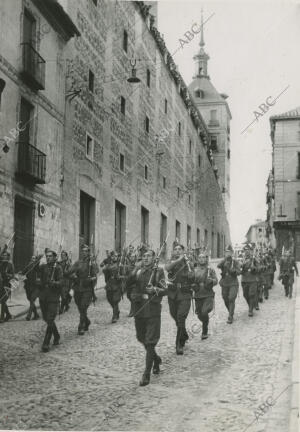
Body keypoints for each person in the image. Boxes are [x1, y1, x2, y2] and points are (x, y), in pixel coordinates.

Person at [126, 249, 166, 386]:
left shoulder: (158, 271)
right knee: (141, 338)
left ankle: (146, 374)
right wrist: (134, 271)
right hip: (139, 309)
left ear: (154, 258)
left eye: (149, 256)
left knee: (150, 342)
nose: (146, 258)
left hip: (153, 310)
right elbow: (127, 284)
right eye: (143, 256)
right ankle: (155, 358)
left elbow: (165, 289)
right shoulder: (138, 271)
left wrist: (155, 290)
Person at [165, 243, 194, 355]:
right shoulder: (170, 261)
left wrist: (191, 272)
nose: (177, 251)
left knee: (181, 317)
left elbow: (192, 276)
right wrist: (179, 260)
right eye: (175, 249)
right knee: (175, 317)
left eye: (179, 249)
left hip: (185, 294)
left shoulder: (188, 263)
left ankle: (179, 344)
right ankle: (184, 334)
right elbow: (167, 268)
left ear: (183, 251)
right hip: (172, 294)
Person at [67, 245, 98, 335]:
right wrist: (72, 276)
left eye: (86, 251)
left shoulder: (91, 263)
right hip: (78, 288)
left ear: (88, 252)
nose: (84, 253)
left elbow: (96, 273)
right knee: (80, 307)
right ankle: (87, 321)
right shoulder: (78, 262)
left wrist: (93, 262)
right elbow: (69, 272)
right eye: (83, 251)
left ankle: (81, 326)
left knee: (83, 306)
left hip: (87, 289)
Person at [38, 250, 63, 352]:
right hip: (43, 297)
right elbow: (34, 269)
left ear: (54, 257)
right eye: (47, 256)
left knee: (50, 318)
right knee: (47, 319)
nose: (48, 258)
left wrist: (55, 283)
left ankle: (46, 343)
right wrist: (37, 259)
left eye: (50, 256)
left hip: (53, 297)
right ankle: (56, 335)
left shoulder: (58, 268)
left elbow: (61, 282)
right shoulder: (43, 267)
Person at [193, 252, 218, 338]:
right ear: (197, 259)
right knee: (199, 314)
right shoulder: (194, 270)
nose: (202, 259)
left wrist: (211, 281)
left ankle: (204, 331)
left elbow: (216, 280)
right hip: (198, 294)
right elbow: (192, 281)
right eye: (200, 257)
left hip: (208, 294)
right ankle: (205, 323)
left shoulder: (210, 269)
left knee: (204, 312)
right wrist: (193, 286)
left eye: (203, 257)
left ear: (206, 259)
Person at [217, 245, 241, 324]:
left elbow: (238, 272)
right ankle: (231, 311)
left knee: (231, 298)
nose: (228, 254)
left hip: (233, 283)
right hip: (225, 283)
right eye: (227, 252)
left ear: (232, 253)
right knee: (225, 299)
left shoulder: (235, 262)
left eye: (230, 252)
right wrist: (225, 260)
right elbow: (218, 266)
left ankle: (230, 316)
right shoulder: (223, 261)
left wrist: (231, 270)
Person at [102, 251, 123, 323]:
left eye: (116, 256)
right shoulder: (108, 264)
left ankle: (114, 316)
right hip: (109, 284)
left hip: (117, 285)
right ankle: (117, 310)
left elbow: (126, 275)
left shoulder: (120, 265)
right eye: (113, 256)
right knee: (109, 299)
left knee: (115, 300)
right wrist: (105, 269)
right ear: (111, 257)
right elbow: (104, 271)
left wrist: (120, 277)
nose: (115, 257)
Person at [241, 244, 260, 317]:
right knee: (245, 295)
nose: (247, 252)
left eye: (248, 250)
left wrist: (254, 268)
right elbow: (239, 268)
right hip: (244, 280)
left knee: (251, 295)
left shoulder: (254, 259)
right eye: (245, 250)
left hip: (252, 279)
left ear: (251, 251)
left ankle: (250, 310)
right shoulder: (242, 259)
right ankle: (251, 305)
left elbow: (259, 268)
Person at [23, 255, 41, 321]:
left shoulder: (37, 267)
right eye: (32, 258)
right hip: (28, 286)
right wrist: (24, 279)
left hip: (36, 286)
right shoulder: (28, 267)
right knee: (30, 300)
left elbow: (40, 274)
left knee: (32, 299)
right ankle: (36, 314)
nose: (33, 260)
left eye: (34, 259)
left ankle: (29, 316)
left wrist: (38, 259)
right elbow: (22, 273)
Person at [0, 250, 14, 323]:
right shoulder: (1, 264)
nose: (4, 256)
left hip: (7, 286)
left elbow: (13, 275)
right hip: (1, 285)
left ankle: (2, 318)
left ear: (8, 257)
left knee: (3, 300)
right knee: (1, 301)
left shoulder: (10, 265)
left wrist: (7, 275)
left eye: (6, 255)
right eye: (3, 255)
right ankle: (8, 315)